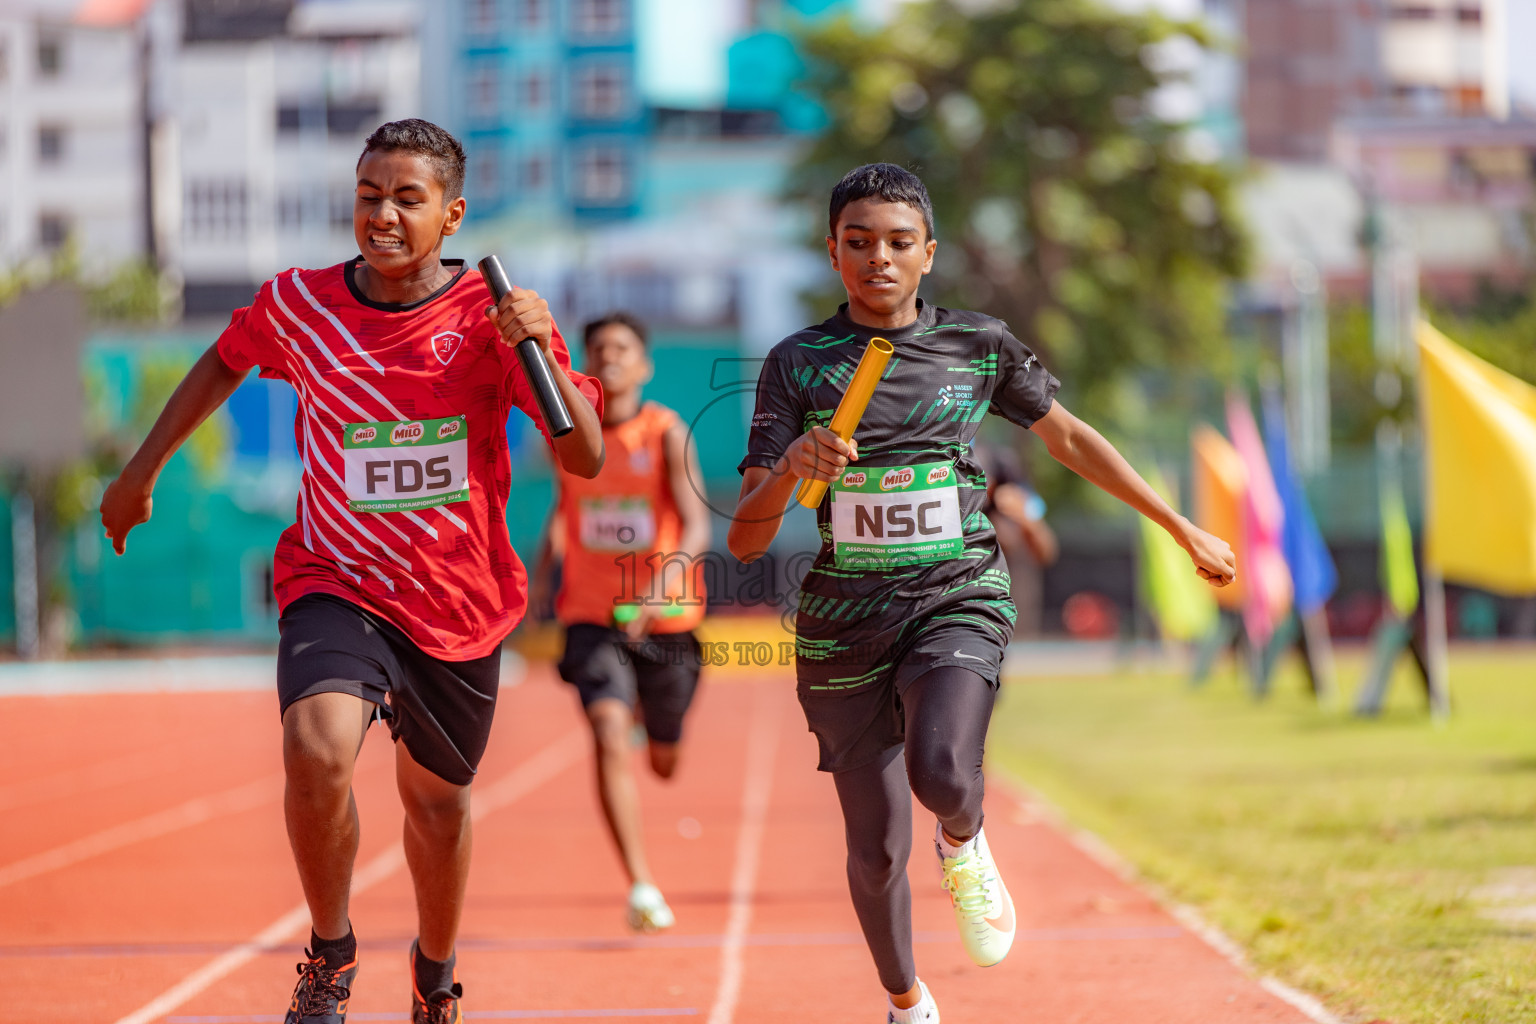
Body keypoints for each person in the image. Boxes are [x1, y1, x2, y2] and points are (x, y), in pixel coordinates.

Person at [98, 119, 605, 1024]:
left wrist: (538, 346)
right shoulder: (299, 305)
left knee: (437, 808)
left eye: (408, 199)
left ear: (450, 215)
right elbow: (222, 361)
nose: (383, 214)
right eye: (370, 194)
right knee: (315, 748)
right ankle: (330, 958)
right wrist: (142, 472)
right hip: (336, 579)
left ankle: (435, 975)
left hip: (457, 601)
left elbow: (586, 458)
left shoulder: (493, 321)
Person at [727, 163, 1234, 1023]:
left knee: (944, 770)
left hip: (956, 590)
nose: (877, 259)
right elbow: (745, 534)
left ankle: (962, 839)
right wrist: (790, 469)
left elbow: (1070, 437)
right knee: (876, 851)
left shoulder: (978, 344)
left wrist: (1178, 524)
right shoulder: (797, 363)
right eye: (857, 243)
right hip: (844, 623)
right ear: (832, 252)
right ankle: (907, 1001)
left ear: (929, 253)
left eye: (897, 243)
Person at [530, 311, 711, 932]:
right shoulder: (566, 435)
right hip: (591, 612)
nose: (609, 355)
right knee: (606, 731)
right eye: (597, 347)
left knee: (664, 762)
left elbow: (697, 523)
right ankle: (640, 884)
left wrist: (661, 590)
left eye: (622, 346)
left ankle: (647, 719)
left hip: (667, 620)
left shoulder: (665, 432)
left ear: (644, 364)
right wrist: (541, 567)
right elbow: (566, 508)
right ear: (583, 362)